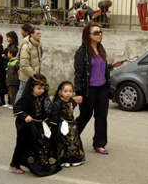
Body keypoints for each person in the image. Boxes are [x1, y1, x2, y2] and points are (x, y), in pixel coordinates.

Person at [73, 23, 124, 155]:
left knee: (102, 117)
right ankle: (70, 138)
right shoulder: (82, 52)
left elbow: (99, 69)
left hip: (102, 89)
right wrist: (78, 93)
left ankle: (99, 144)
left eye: (100, 32)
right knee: (85, 116)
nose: (100, 34)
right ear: (88, 35)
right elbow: (79, 73)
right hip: (89, 90)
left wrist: (110, 66)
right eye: (96, 33)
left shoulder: (100, 49)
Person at [10, 74, 61, 176]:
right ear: (32, 87)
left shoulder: (41, 97)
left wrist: (47, 122)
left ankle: (37, 163)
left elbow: (42, 112)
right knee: (22, 144)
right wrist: (25, 116)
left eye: (43, 88)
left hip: (37, 124)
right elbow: (17, 109)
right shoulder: (26, 97)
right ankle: (15, 164)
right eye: (39, 88)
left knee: (41, 142)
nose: (41, 90)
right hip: (26, 126)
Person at [49, 81, 85, 167]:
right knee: (63, 142)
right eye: (65, 91)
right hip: (62, 125)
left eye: (70, 91)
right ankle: (64, 160)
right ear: (60, 92)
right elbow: (54, 116)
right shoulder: (57, 104)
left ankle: (75, 159)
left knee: (74, 141)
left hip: (72, 125)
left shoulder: (72, 101)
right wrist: (53, 126)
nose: (68, 93)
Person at [16, 27, 42, 103]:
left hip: (35, 76)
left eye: (40, 33)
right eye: (37, 33)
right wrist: (33, 74)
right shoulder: (26, 46)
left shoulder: (37, 45)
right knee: (22, 93)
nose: (39, 35)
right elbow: (24, 64)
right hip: (26, 76)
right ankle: (17, 108)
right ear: (31, 34)